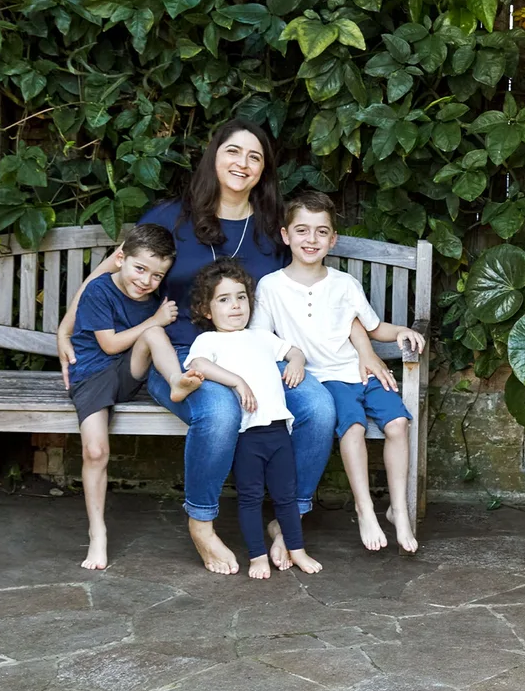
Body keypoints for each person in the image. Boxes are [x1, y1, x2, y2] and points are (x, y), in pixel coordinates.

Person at [58, 119, 347, 576]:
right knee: (219, 411)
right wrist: (64, 330)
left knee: (317, 406)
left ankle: (288, 518)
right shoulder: (170, 217)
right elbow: (107, 275)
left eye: (255, 157)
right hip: (177, 354)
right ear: (215, 156)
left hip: (255, 355)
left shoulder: (273, 228)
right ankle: (202, 523)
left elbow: (309, 287)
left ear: (263, 170)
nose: (243, 164)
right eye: (234, 152)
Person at [252, 191, 425, 554]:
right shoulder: (271, 287)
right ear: (286, 235)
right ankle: (365, 509)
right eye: (302, 230)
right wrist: (293, 354)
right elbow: (260, 339)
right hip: (324, 380)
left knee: (398, 424)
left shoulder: (344, 284)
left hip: (358, 370)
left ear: (332, 239)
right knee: (355, 426)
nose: (310, 240)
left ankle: (398, 511)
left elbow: (373, 327)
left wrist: (402, 332)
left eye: (320, 232)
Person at [68, 223, 203, 571]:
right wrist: (155, 319)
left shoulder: (153, 298)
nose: (146, 281)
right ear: (121, 259)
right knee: (95, 451)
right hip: (92, 375)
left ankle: (176, 381)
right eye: (140, 269)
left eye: (157, 276)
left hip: (127, 373)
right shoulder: (99, 290)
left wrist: (157, 322)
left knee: (155, 332)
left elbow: (148, 337)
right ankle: (98, 533)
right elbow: (109, 344)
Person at [185, 258, 322, 579]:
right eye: (224, 299)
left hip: (279, 434)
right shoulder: (210, 340)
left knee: (286, 498)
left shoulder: (260, 336)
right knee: (249, 499)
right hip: (247, 437)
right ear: (207, 310)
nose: (235, 306)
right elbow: (199, 365)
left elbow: (294, 351)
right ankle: (257, 556)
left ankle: (298, 550)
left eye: (241, 297)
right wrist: (236, 380)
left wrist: (297, 363)